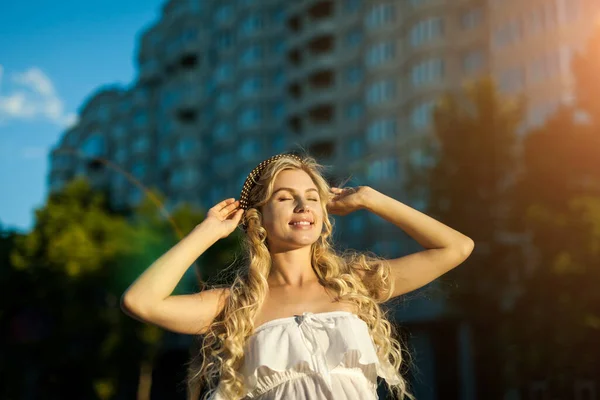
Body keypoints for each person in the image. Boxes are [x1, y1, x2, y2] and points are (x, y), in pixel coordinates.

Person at [121, 153, 474, 400]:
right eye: (286, 198)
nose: (303, 207)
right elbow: (141, 301)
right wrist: (208, 231)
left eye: (311, 198)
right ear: (257, 218)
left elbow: (456, 247)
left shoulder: (354, 284)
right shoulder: (235, 304)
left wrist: (370, 198)